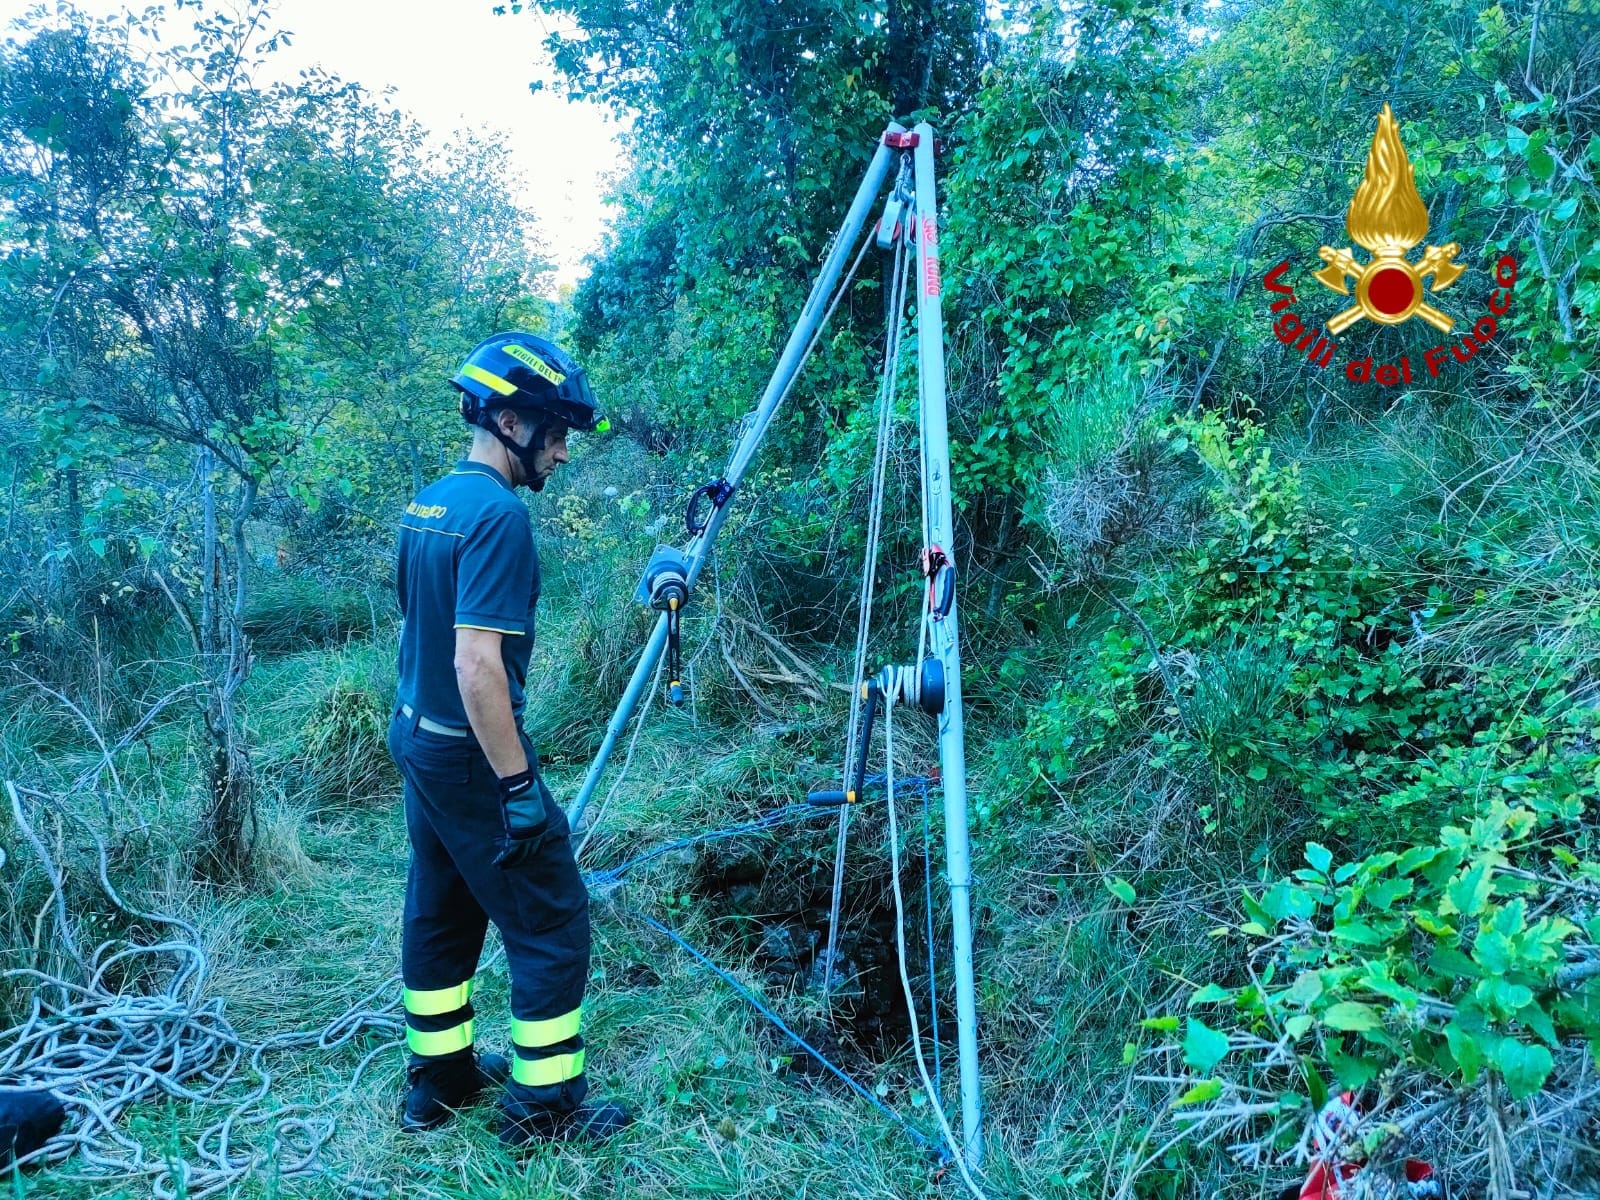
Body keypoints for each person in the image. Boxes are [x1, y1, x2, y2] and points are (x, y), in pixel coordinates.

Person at [385, 331, 631, 1146]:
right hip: (465, 751)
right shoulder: (497, 519)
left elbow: (416, 631)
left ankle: (441, 1080)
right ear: (505, 420)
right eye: (554, 432)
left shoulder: (430, 504)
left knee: (443, 906)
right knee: (552, 914)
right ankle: (546, 1109)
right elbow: (477, 665)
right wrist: (520, 789)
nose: (562, 453)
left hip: (417, 738)